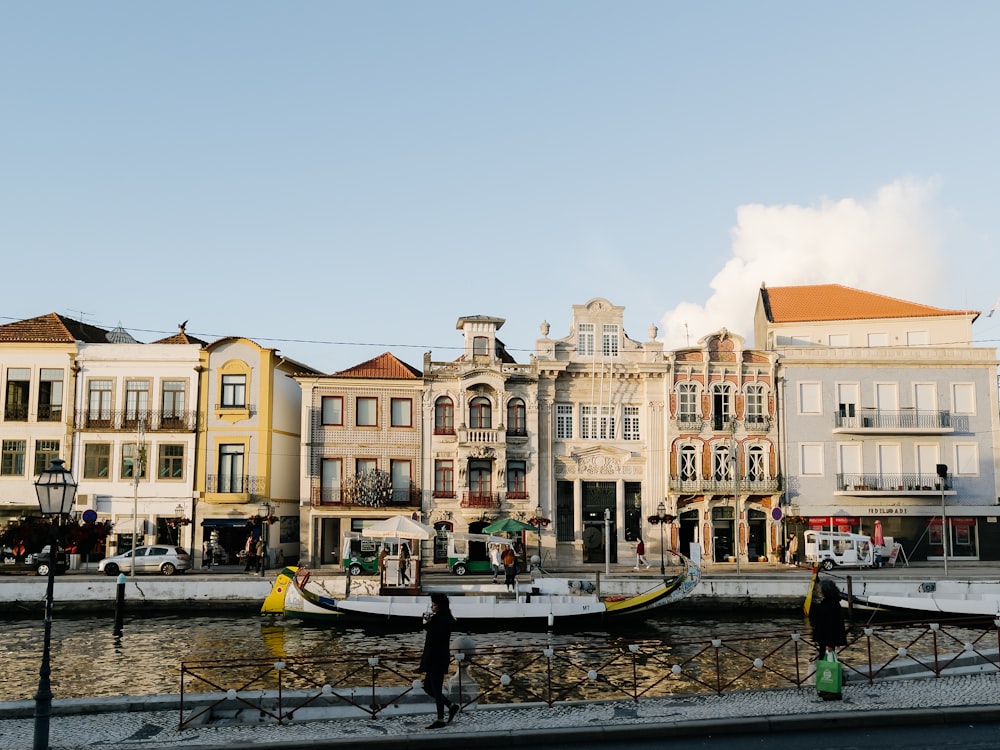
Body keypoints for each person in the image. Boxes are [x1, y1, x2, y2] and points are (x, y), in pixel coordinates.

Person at [419, 593, 459, 729]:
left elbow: (433, 633)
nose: (432, 607)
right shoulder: (445, 618)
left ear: (440, 606)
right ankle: (451, 706)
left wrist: (426, 622)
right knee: (428, 687)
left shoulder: (439, 620)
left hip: (436, 658)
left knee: (435, 688)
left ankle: (440, 719)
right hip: (438, 657)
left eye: (434, 604)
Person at [810, 579, 848, 661]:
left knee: (825, 659)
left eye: (821, 589)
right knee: (825, 657)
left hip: (826, 639)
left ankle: (824, 673)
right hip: (825, 638)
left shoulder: (830, 605)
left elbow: (831, 624)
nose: (819, 591)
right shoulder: (832, 602)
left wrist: (830, 643)